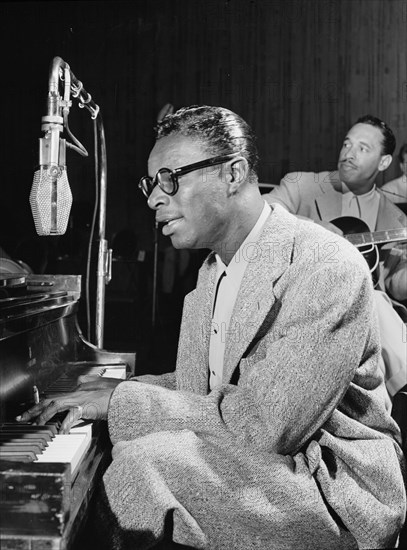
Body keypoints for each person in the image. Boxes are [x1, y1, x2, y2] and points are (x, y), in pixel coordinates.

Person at [18, 106, 405, 550]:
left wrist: (122, 400)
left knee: (142, 469)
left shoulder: (326, 265)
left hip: (332, 484)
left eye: (170, 178)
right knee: (123, 451)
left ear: (233, 173)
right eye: (151, 184)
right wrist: (104, 398)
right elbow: (201, 391)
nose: (153, 199)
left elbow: (268, 424)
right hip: (267, 458)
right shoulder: (208, 274)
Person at [264, 115, 407, 303]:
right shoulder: (300, 185)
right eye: (347, 145)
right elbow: (259, 215)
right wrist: (312, 227)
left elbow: (397, 288)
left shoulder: (397, 220)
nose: (348, 155)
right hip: (300, 303)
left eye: (362, 148)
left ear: (384, 162)